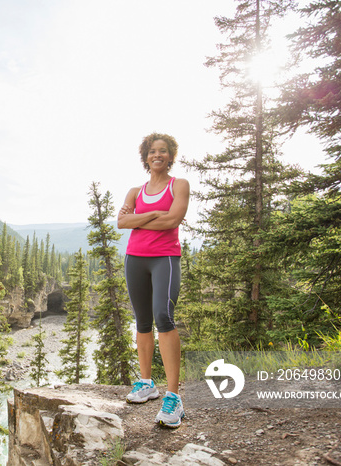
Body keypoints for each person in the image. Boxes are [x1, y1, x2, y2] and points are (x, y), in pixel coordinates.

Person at [117, 132, 189, 428]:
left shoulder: (179, 185)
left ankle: (174, 397)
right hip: (135, 258)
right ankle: (146, 383)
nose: (157, 155)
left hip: (165, 259)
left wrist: (140, 218)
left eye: (163, 151)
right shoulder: (135, 191)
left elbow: (173, 220)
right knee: (142, 321)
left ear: (170, 156)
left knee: (164, 316)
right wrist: (155, 214)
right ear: (145, 157)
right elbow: (121, 222)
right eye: (152, 151)